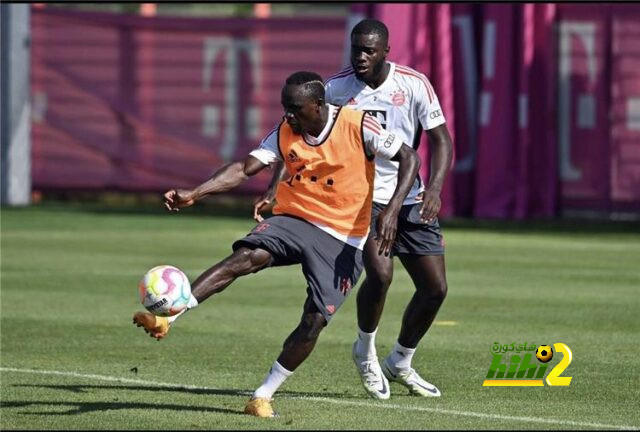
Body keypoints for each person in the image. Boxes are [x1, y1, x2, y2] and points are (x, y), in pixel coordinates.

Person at [132, 71, 420, 417]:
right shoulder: (286, 131)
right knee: (246, 256)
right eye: (285, 107)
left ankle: (262, 395)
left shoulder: (357, 125)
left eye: (295, 108)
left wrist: (390, 211)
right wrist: (195, 193)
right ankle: (169, 318)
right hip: (294, 219)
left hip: (343, 237)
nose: (288, 115)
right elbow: (244, 167)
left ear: (318, 105)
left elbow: (410, 158)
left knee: (314, 320)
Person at [254, 19, 453, 400]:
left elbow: (440, 140)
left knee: (435, 288)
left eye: (368, 50)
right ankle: (366, 350)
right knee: (380, 272)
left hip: (409, 196)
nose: (360, 57)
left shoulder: (413, 84)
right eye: (355, 48)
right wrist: (273, 186)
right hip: (361, 199)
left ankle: (401, 361)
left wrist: (436, 189)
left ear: (385, 51)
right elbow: (295, 137)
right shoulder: (335, 89)